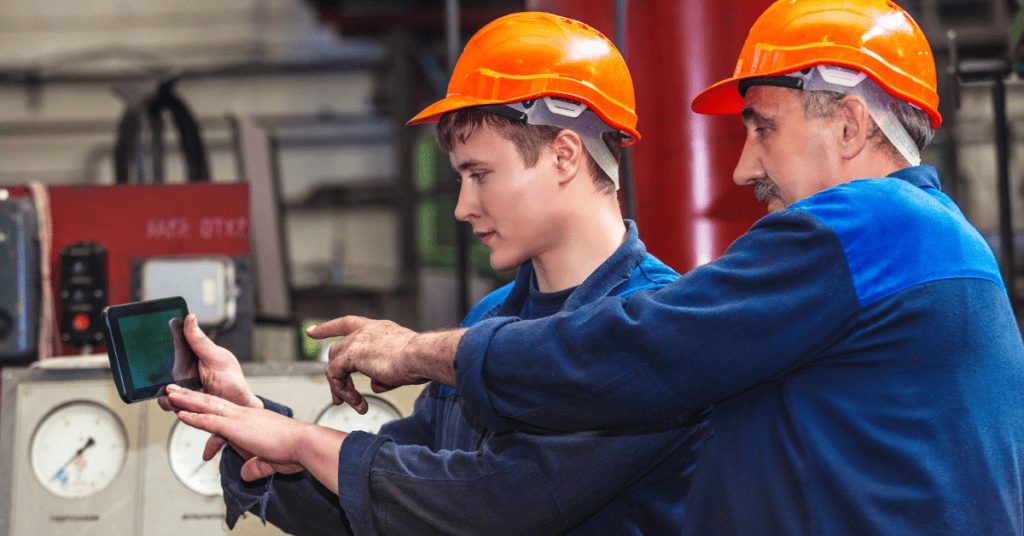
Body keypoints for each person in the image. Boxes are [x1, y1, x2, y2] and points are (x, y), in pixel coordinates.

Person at [314, 1, 1024, 534]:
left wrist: (421, 351)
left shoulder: (871, 229)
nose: (745, 167)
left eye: (761, 126)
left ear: (849, 123)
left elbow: (640, 347)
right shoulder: (934, 243)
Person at [165, 12, 710, 535]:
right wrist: (253, 423)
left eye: (479, 174)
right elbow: (394, 499)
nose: (462, 207)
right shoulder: (489, 320)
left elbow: (495, 505)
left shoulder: (653, 334)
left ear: (565, 155)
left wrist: (304, 442)